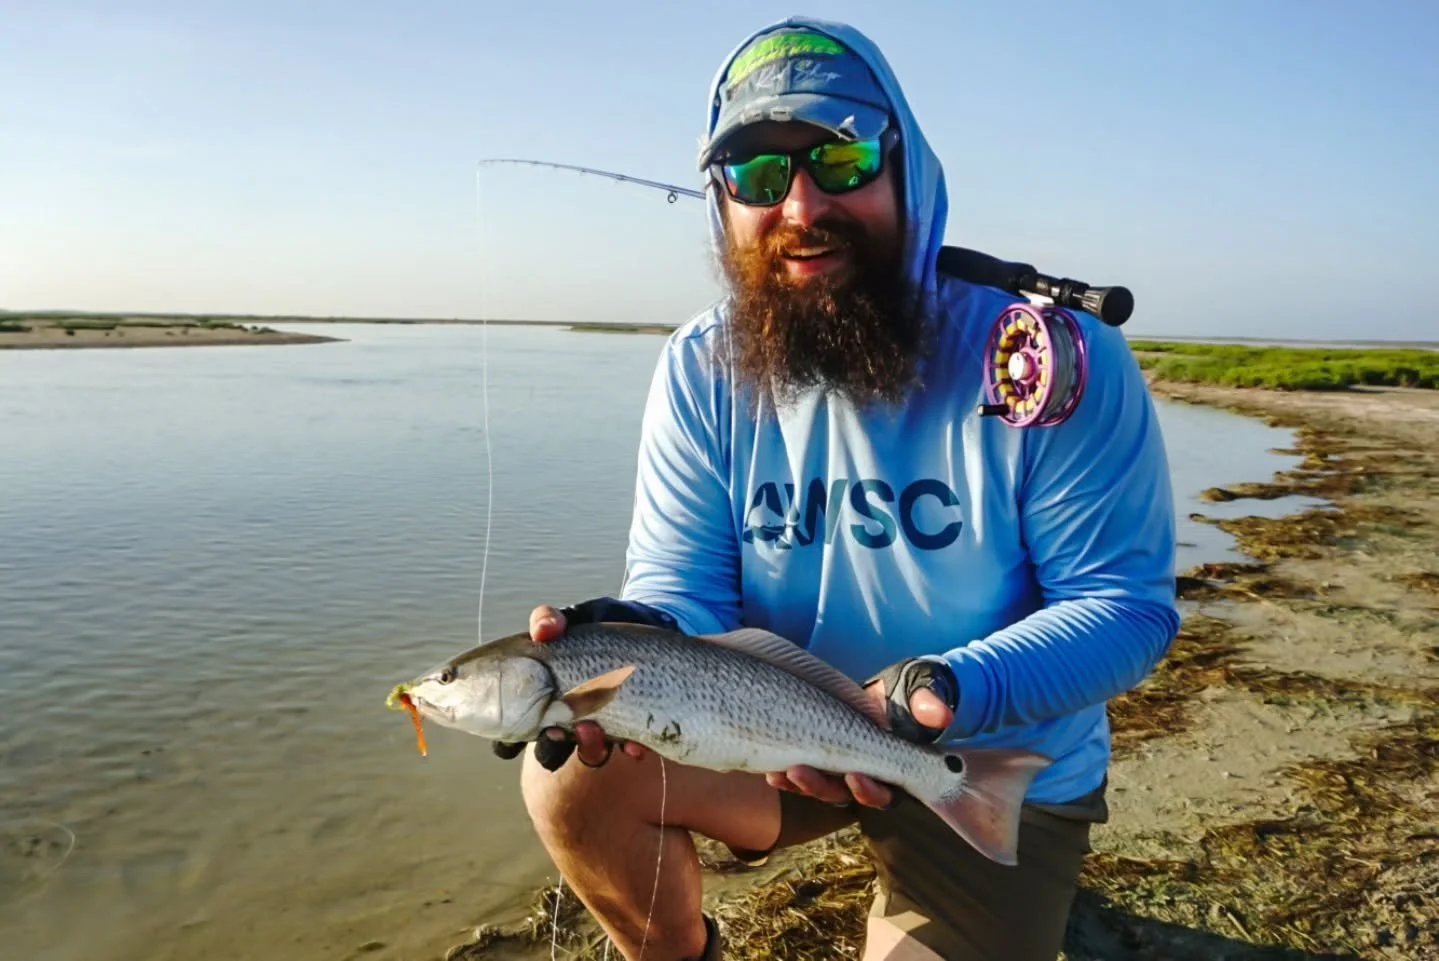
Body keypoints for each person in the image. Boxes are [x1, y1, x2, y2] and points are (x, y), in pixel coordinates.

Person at [493, 15, 1180, 961]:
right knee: (565, 774)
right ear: (722, 203)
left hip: (972, 754)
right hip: (776, 744)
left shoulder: (1046, 360)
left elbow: (1121, 606)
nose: (802, 207)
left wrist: (946, 689)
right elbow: (687, 590)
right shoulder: (700, 368)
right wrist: (634, 625)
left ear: (908, 170)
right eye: (758, 177)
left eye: (844, 159)